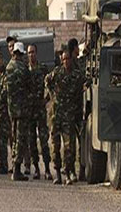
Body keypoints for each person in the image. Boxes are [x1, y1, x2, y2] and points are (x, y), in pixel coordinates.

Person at [45, 49, 86, 185]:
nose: (66, 61)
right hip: (56, 115)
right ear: (61, 60)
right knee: (55, 146)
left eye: (68, 59)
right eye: (64, 59)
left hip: (69, 115)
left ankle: (68, 172)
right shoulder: (57, 72)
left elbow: (86, 81)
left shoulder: (76, 74)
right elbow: (47, 80)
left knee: (69, 147)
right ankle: (57, 173)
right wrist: (52, 95)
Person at [5, 41, 31, 181]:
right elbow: (29, 86)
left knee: (14, 138)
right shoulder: (23, 68)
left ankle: (14, 166)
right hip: (22, 109)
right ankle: (16, 168)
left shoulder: (8, 67)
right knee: (20, 139)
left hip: (11, 109)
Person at [27, 44, 52, 180]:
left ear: (37, 53)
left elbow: (50, 85)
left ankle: (47, 168)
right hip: (30, 110)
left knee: (43, 140)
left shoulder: (42, 69)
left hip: (40, 110)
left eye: (33, 52)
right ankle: (36, 168)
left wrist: (46, 99)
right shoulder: (25, 70)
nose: (31, 55)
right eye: (29, 53)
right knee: (31, 141)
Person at [68, 38, 86, 181]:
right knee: (72, 142)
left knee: (78, 141)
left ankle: (78, 171)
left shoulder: (75, 63)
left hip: (75, 109)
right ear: (74, 48)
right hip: (73, 109)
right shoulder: (73, 65)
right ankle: (72, 170)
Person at [0, 50, 11, 174]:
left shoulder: (6, 74)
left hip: (6, 111)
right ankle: (2, 164)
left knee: (8, 139)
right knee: (0, 140)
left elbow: (3, 93)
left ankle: (11, 165)